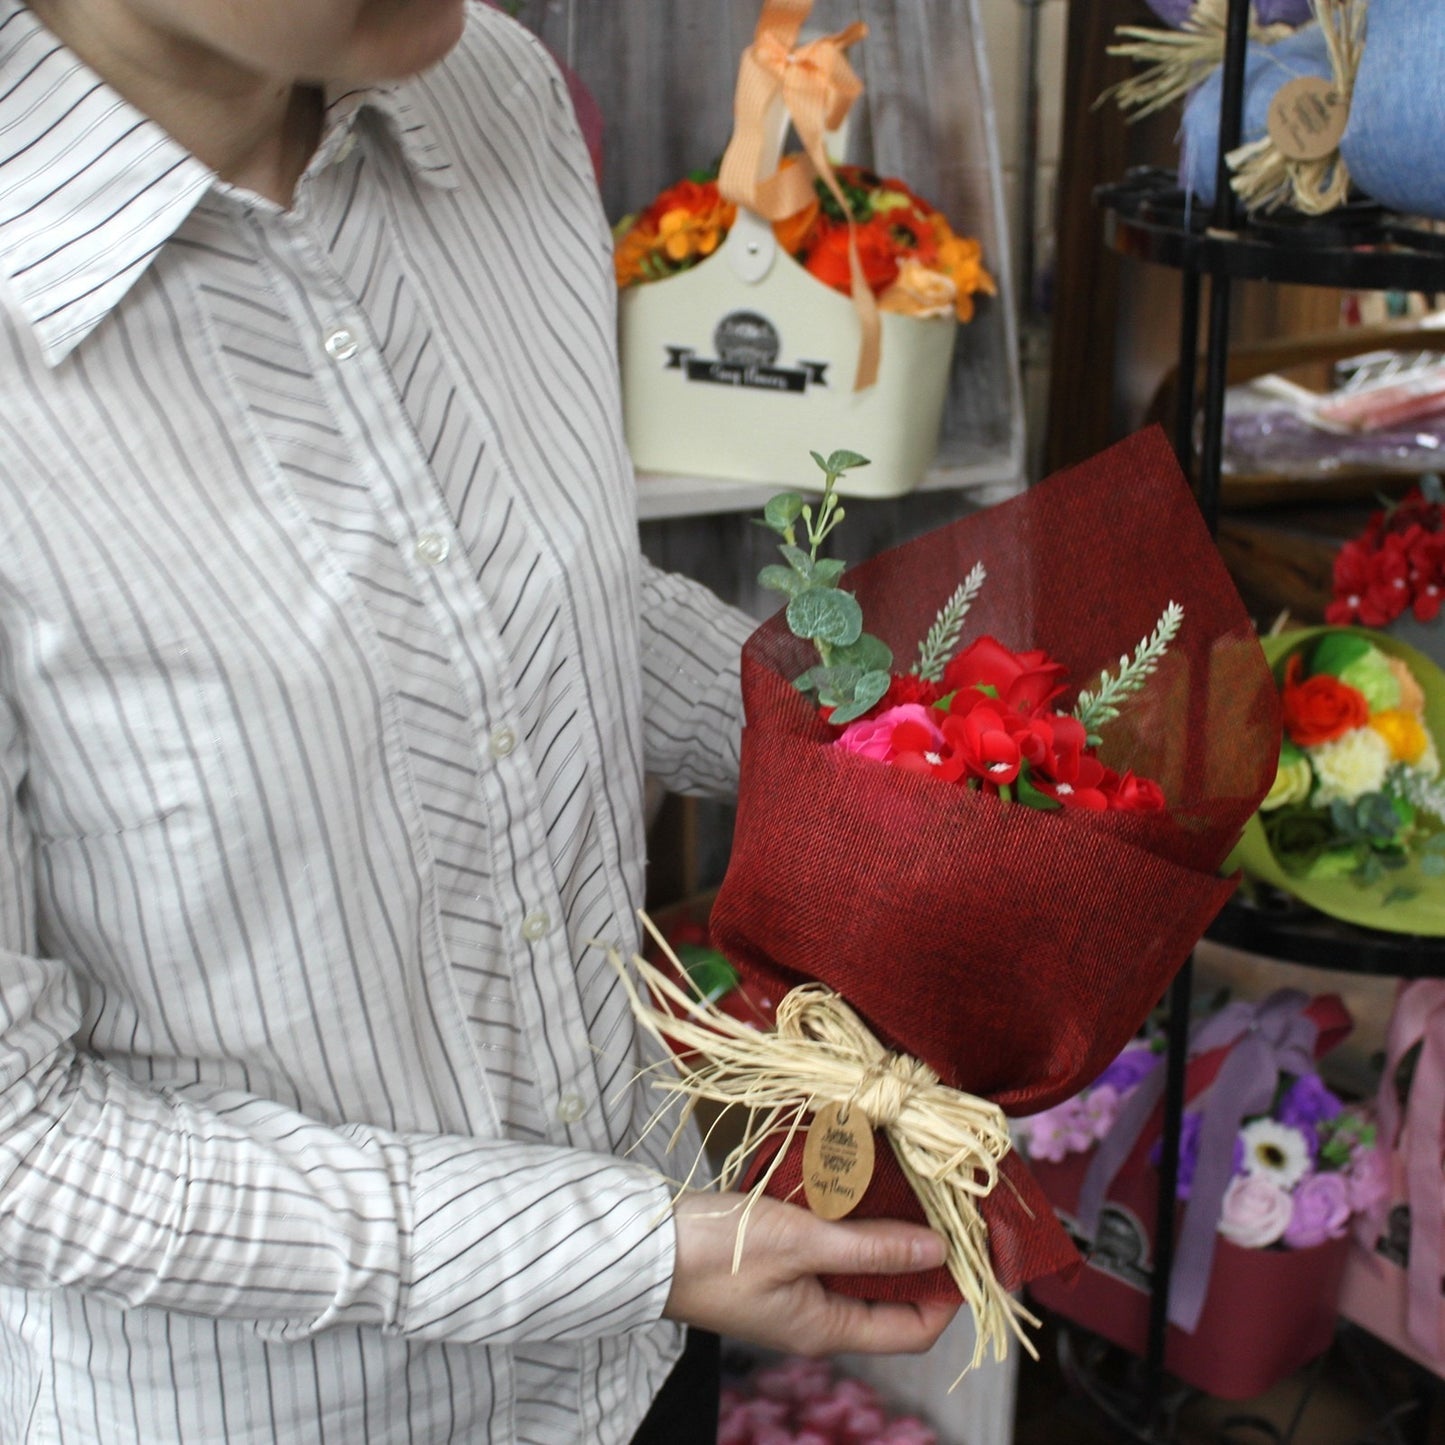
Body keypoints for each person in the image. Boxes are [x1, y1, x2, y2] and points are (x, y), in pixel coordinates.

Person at [0, 0, 960, 1440]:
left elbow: (524, 588)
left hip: (638, 1348)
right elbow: (24, 1148)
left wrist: (924, 764)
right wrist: (630, 1246)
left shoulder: (492, 90)